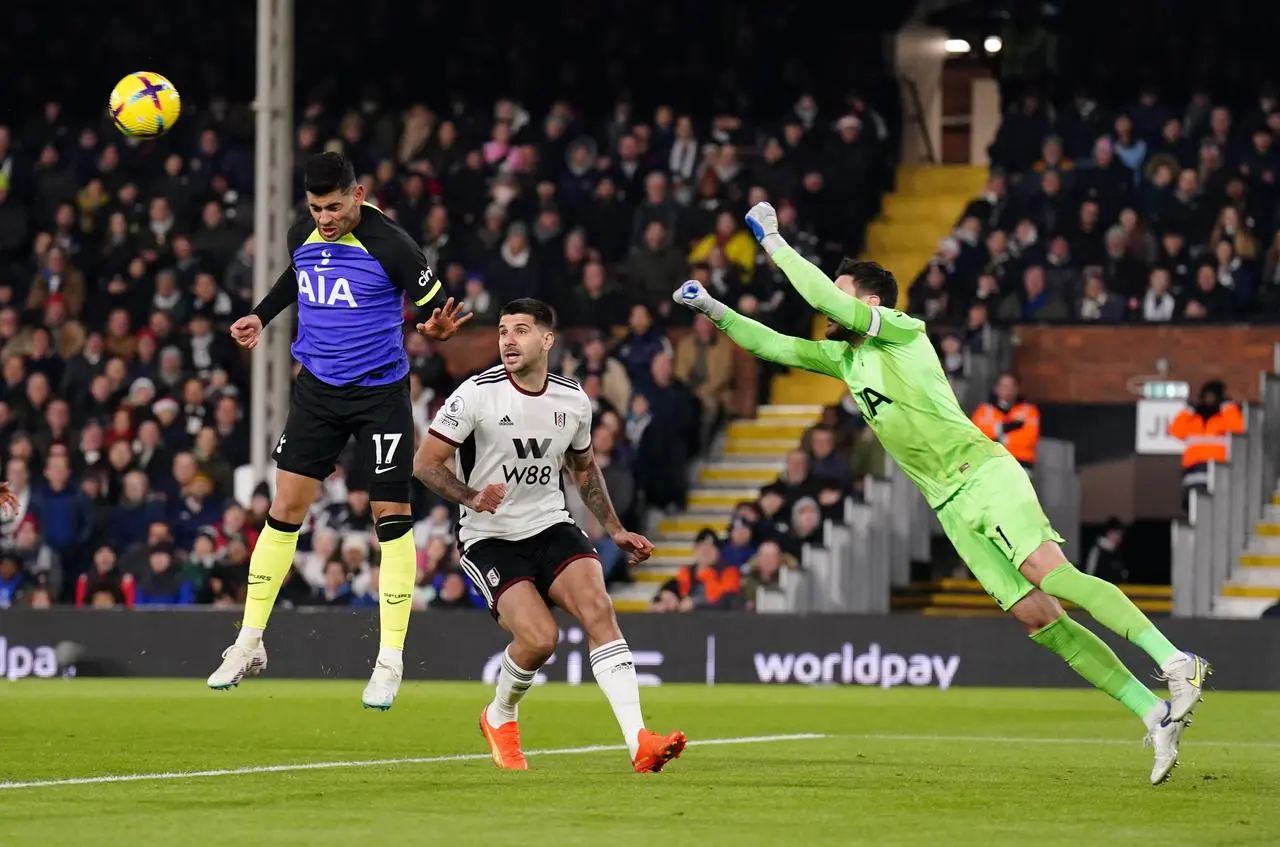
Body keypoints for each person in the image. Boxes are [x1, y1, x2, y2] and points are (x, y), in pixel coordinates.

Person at [673, 201, 1212, 786]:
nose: (830, 302)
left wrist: (773, 241)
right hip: (949, 506)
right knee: (1039, 618)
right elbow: (775, 346)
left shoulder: (903, 332)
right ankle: (1153, 712)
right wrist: (712, 308)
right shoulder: (846, 359)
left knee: (1050, 574)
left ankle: (1175, 661)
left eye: (841, 291)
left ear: (869, 303)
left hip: (982, 474)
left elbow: (825, 301)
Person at [206, 153, 470, 710]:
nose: (324, 218)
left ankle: (389, 660)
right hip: (318, 393)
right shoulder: (302, 233)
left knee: (390, 518)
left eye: (334, 206)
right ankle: (248, 642)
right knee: (283, 510)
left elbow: (434, 312)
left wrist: (440, 331)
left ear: (359, 193)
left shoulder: (394, 245)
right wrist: (262, 313)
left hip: (380, 396)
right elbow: (297, 274)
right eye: (316, 208)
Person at [413, 298, 686, 773]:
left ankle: (639, 742)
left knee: (600, 609)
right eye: (502, 331)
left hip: (551, 524)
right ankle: (499, 715)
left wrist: (615, 529)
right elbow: (424, 464)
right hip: (490, 537)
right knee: (541, 640)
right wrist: (472, 496)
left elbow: (583, 469)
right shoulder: (475, 394)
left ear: (547, 340)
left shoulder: (572, 399)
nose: (508, 340)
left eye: (520, 331)